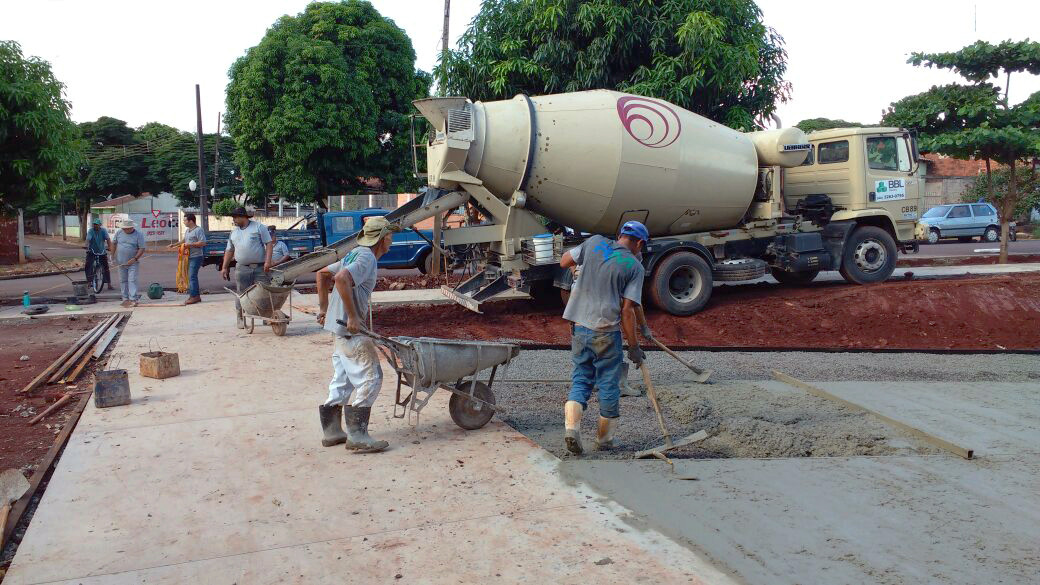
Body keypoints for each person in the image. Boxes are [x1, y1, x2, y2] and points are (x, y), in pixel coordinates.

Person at [559, 221, 648, 455]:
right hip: (606, 332)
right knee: (608, 382)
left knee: (581, 379)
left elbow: (564, 261)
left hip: (579, 327)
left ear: (620, 235)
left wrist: (578, 270)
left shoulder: (594, 242)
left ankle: (571, 428)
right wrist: (634, 346)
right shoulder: (634, 267)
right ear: (639, 243)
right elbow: (628, 310)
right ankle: (605, 440)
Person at [315, 216, 398, 453]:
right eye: (389, 236)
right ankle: (358, 435)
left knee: (342, 380)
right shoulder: (366, 257)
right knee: (372, 378)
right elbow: (340, 279)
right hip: (350, 330)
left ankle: (332, 431)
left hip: (339, 331)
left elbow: (322, 274)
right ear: (381, 238)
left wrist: (323, 309)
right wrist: (352, 316)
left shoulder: (354, 253)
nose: (391, 241)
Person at [220, 207, 274, 326]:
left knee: (264, 291)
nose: (233, 220)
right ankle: (240, 317)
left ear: (242, 217)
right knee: (241, 293)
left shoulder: (259, 227)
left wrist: (268, 261)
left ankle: (266, 316)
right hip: (242, 268)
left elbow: (269, 244)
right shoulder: (233, 232)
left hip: (260, 267)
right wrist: (224, 267)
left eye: (235, 217)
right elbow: (229, 250)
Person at [169, 213, 206, 304]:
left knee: (192, 276)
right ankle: (195, 295)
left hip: (196, 257)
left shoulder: (198, 230)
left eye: (185, 220)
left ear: (191, 221)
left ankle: (194, 296)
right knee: (189, 276)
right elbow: (184, 240)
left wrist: (190, 245)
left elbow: (203, 242)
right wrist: (175, 245)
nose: (184, 222)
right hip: (187, 257)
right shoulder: (188, 230)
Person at [110, 219, 146, 307]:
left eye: (126, 228)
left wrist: (135, 258)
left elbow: (142, 248)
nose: (125, 230)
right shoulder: (119, 233)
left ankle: (133, 298)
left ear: (132, 227)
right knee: (123, 280)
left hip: (133, 262)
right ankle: (125, 298)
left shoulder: (138, 235)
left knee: (132, 279)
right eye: (124, 228)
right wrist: (112, 256)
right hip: (120, 261)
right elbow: (114, 244)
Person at [84, 217, 112, 291]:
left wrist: (109, 247)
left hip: (102, 251)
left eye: (97, 224)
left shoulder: (103, 231)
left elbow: (108, 239)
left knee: (106, 267)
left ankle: (109, 284)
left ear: (100, 225)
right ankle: (89, 282)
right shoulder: (90, 231)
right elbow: (88, 239)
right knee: (88, 265)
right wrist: (86, 245)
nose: (95, 225)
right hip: (92, 250)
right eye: (94, 224)